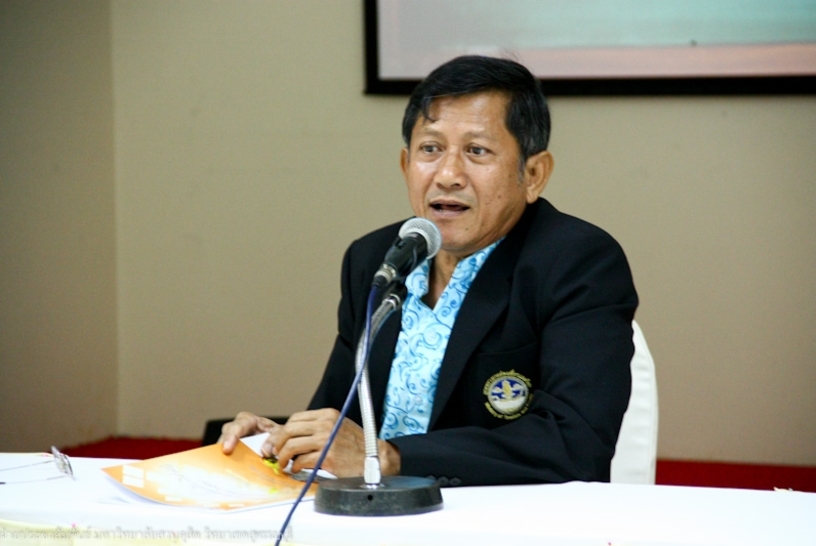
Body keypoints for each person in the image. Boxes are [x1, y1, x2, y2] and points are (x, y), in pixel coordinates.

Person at [220, 55, 638, 486]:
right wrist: (279, 440)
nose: (448, 175)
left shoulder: (577, 263)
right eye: (431, 149)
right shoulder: (375, 260)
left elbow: (575, 443)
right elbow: (342, 416)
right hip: (381, 513)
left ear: (533, 174)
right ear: (406, 165)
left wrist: (390, 457)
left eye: (477, 151)